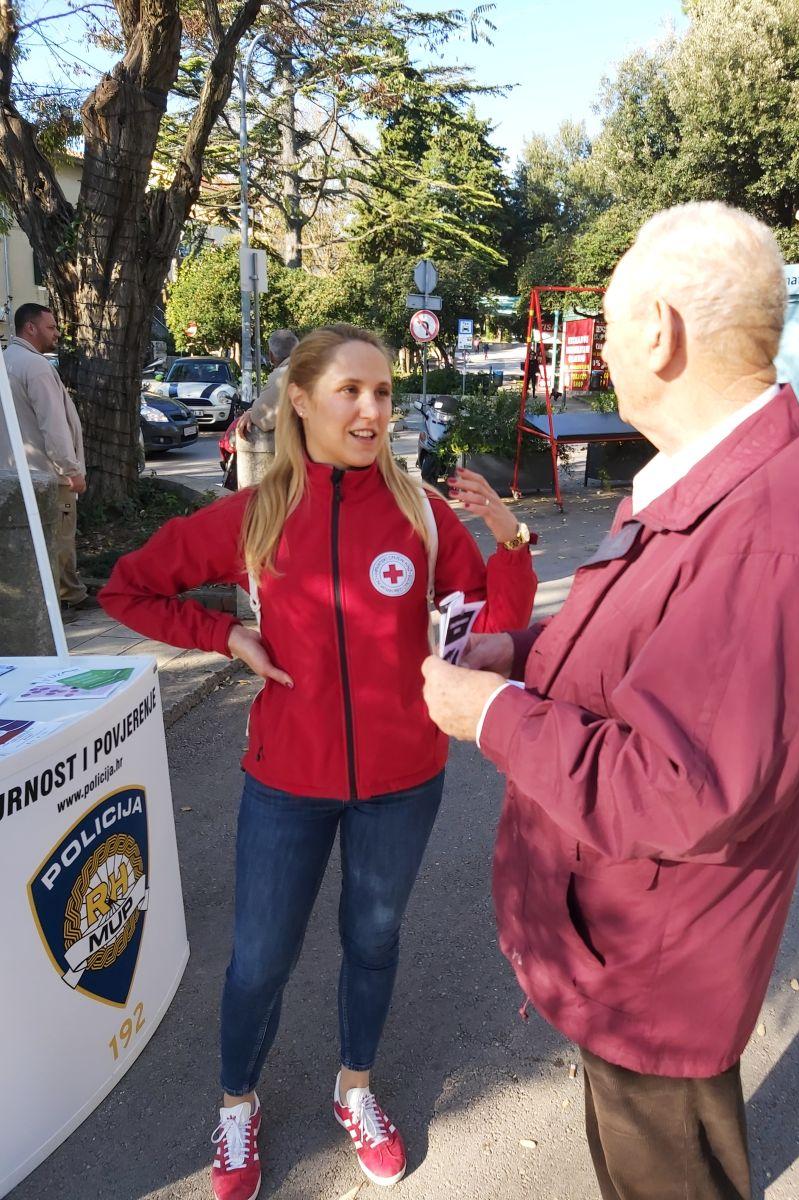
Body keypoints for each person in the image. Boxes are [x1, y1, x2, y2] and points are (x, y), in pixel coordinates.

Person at [421, 202, 799, 1200]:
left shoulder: (771, 529)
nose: (594, 355)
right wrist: (519, 651)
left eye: (611, 324)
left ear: (660, 331)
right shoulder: (712, 482)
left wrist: (490, 716)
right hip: (630, 939)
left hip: (657, 966)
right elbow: (647, 651)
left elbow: (680, 788)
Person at [99, 323, 537, 1200]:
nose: (373, 409)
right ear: (300, 401)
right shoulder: (255, 514)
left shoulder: (418, 511)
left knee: (372, 943)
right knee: (260, 958)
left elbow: (487, 628)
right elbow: (127, 589)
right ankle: (235, 1108)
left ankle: (356, 1089)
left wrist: (511, 543)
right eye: (351, 391)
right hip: (286, 782)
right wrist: (224, 633)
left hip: (403, 780)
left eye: (383, 393)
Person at [3, 303, 98, 611]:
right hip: (48, 474)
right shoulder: (37, 367)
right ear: (30, 328)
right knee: (59, 538)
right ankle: (67, 598)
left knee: (31, 543)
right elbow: (53, 424)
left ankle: (53, 598)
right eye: (51, 327)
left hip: (15, 473)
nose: (57, 333)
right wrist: (71, 470)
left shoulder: (7, 361)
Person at [234, 328, 299, 440]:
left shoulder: (281, 376)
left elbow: (262, 415)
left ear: (271, 356)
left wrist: (250, 413)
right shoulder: (314, 368)